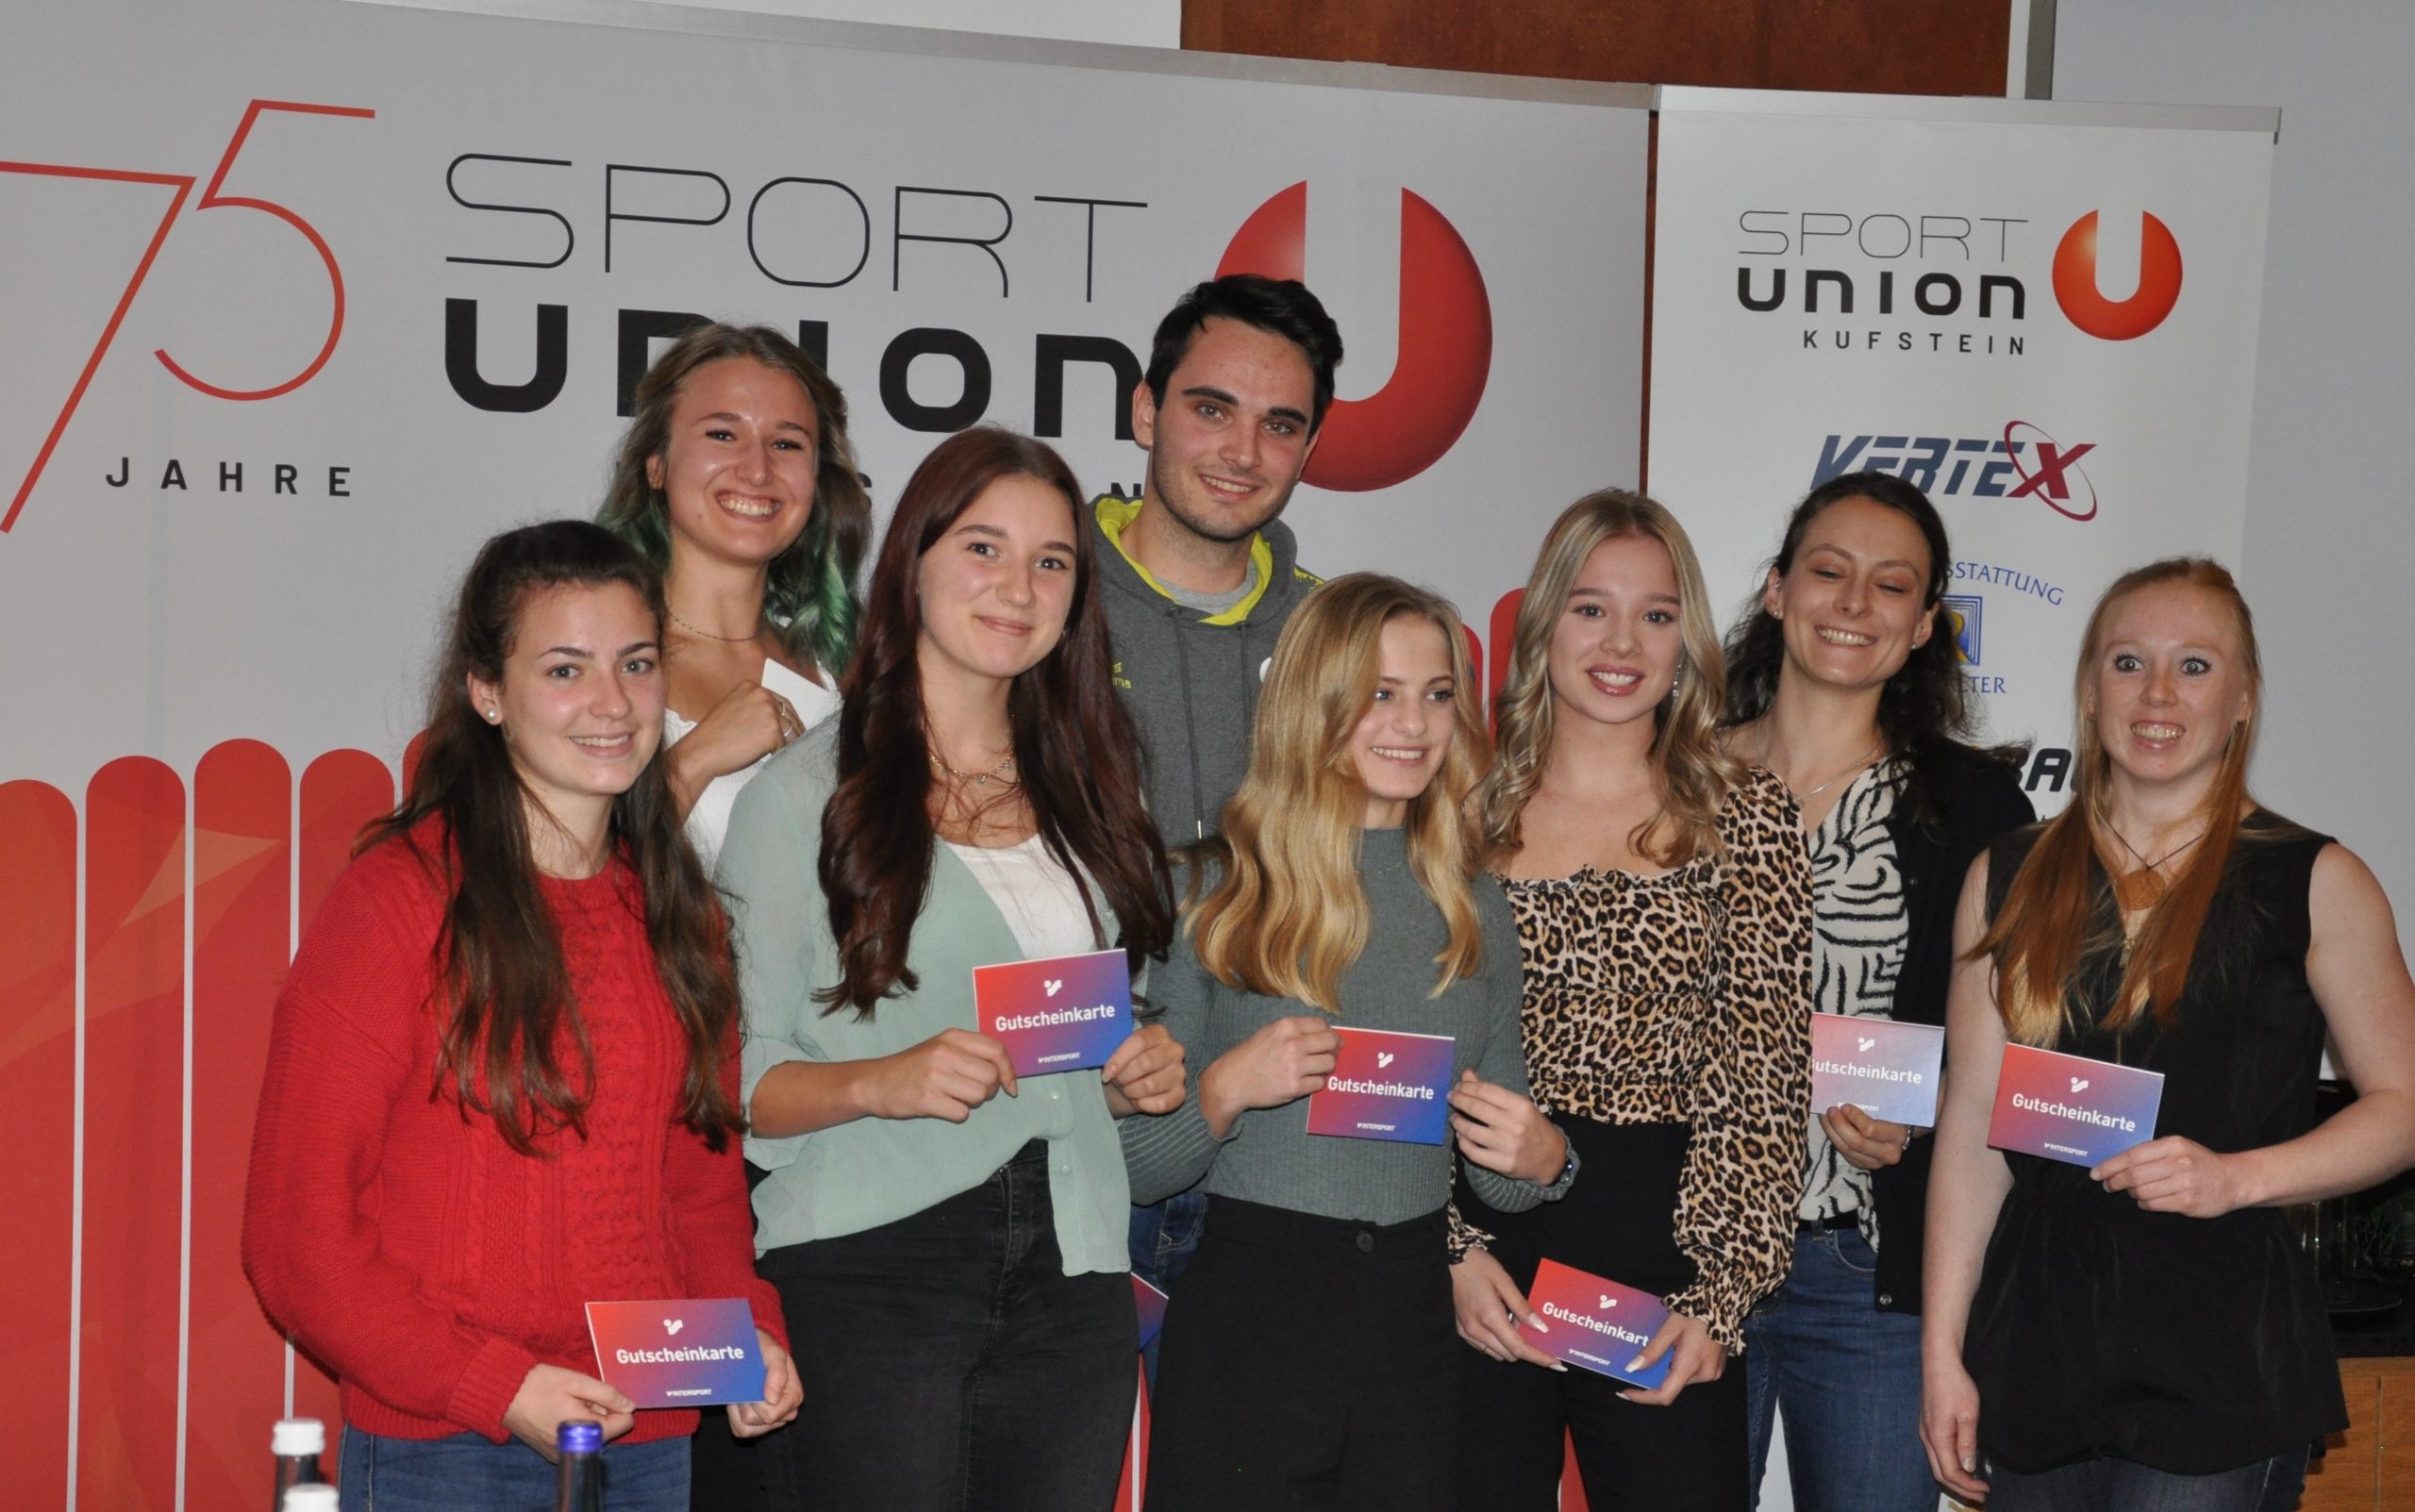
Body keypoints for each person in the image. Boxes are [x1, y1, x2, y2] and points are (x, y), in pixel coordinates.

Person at [242, 521, 800, 1512]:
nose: (611, 703)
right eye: (565, 669)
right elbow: (297, 1241)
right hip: (447, 1451)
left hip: (646, 1445)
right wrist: (497, 1386)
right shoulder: (395, 904)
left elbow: (700, 1191)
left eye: (636, 664)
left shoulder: (682, 913)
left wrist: (747, 1328)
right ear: (487, 692)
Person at [721, 426, 1186, 1512]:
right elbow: (733, 1080)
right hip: (873, 1263)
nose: (1017, 588)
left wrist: (1126, 1075)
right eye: (983, 547)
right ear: (912, 562)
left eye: (1051, 560)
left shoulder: (1094, 786)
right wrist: (880, 1079)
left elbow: (1072, 1041)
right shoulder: (799, 798)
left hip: (1076, 1261)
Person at [1922, 558, 2415, 1510]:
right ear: (2089, 688)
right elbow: (1973, 1124)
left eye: (2194, 665)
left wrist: (2238, 1177)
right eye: (2128, 662)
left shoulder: (2316, 880)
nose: (2157, 694)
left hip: (2217, 1350)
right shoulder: (2005, 877)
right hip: (2035, 1350)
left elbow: (2404, 1104)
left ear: (2244, 697)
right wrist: (1942, 1350)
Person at [1123, 573, 1576, 1512]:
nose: (1413, 723)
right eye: (1380, 692)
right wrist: (1226, 1088)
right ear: (1313, 700)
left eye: (1437, 693)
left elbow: (1504, 1182)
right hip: (1252, 1310)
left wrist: (1546, 1158)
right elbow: (1140, 1166)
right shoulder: (1212, 888)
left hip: (1412, 1325)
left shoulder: (1474, 904)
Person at [1447, 490, 1814, 1512]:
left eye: (1655, 614)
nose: (1621, 643)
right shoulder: (1460, 815)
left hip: (1665, 1258)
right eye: (1590, 608)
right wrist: (1451, 1253)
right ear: (1543, 623)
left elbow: (1764, 1080)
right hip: (1486, 1248)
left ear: (1684, 638)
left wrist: (1720, 1298)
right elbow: (1410, 1047)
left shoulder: (1747, 816)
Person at [1719, 472, 2035, 1512]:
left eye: (1891, 584)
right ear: (1777, 589)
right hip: (1684, 1257)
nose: (1855, 603)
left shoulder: (1976, 807)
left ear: (1925, 624)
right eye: (1829, 571)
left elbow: (2012, 1050)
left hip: (1869, 1276)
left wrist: (1926, 1114)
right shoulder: (1673, 779)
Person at [1094, 274, 1345, 1347]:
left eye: (1279, 424)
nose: (1242, 451)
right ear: (1146, 410)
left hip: (1276, 1162)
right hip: (1069, 1145)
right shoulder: (1035, 596)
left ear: (1309, 448)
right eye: (1211, 408)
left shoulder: (1334, 637)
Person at [597, 321, 871, 869]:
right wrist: (694, 761)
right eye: (723, 435)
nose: (757, 470)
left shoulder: (850, 670)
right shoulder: (584, 660)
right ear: (656, 464)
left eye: (787, 443)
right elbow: (549, 877)